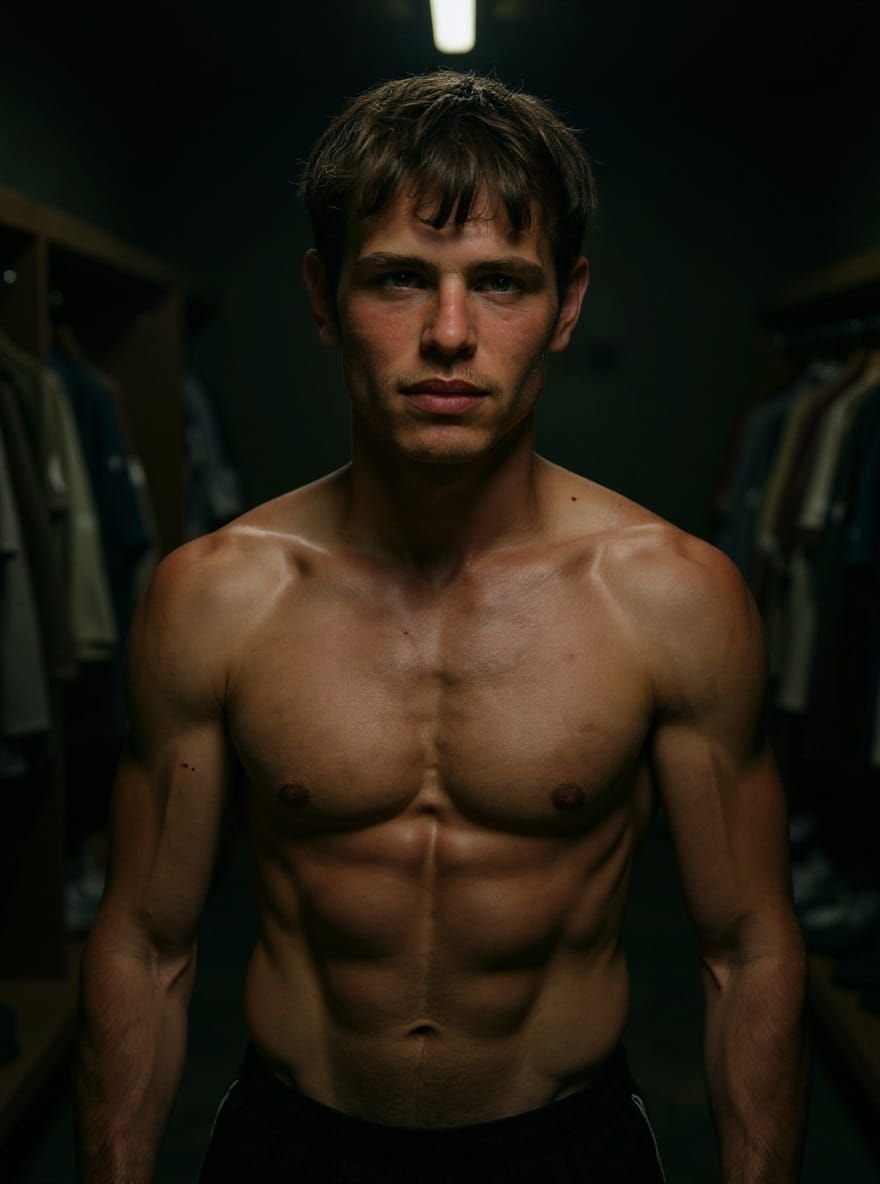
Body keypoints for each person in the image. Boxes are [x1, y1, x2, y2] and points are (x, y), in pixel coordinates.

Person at [74, 70, 810, 1183]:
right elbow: (145, 942)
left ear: (566, 304)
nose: (450, 334)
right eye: (400, 279)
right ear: (324, 298)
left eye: (501, 283)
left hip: (566, 1146)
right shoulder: (216, 595)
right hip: (292, 1142)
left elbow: (746, 946)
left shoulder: (673, 596)